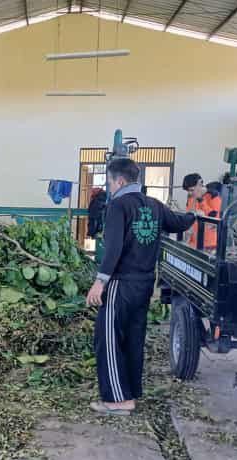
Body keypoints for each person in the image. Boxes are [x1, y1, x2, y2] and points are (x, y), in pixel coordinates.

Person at [85, 159, 195, 415]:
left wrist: (99, 283)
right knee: (133, 339)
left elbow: (113, 249)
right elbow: (179, 223)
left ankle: (116, 400)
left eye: (109, 182)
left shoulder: (117, 206)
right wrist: (196, 215)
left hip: (121, 284)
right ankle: (131, 392)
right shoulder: (154, 205)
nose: (109, 187)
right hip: (145, 284)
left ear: (119, 181)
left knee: (109, 339)